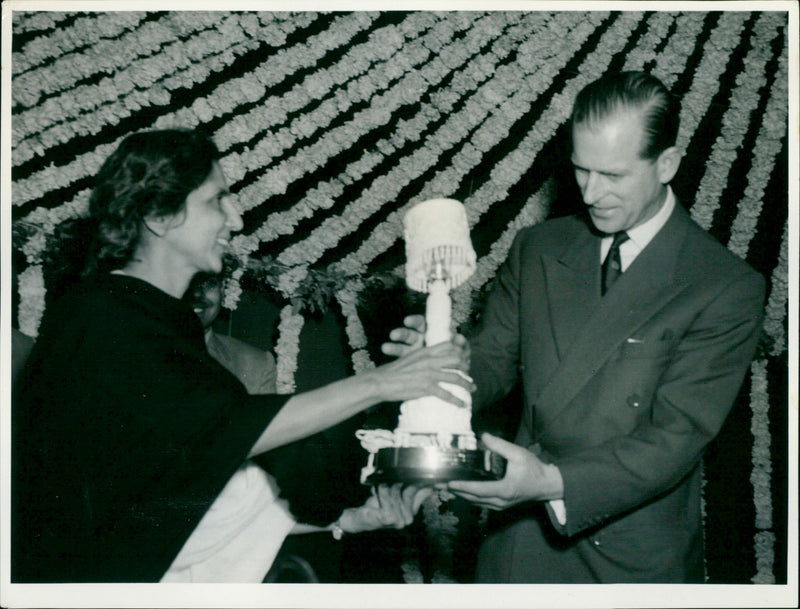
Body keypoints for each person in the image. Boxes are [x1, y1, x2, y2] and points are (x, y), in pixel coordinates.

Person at [11, 128, 468, 583]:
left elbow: (181, 499)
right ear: (159, 214)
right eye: (217, 200)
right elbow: (220, 437)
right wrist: (384, 382)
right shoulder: (102, 316)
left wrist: (346, 520)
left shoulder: (156, 321)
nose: (237, 218)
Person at [443, 71, 766, 582]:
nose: (591, 194)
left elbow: (675, 439)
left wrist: (550, 482)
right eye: (580, 171)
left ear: (668, 164)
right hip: (520, 545)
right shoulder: (538, 248)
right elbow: (492, 360)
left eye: (613, 176)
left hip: (629, 554)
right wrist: (443, 367)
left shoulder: (723, 285)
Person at [186, 271, 277, 395]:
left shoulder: (256, 364)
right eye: (186, 280)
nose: (198, 294)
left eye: (209, 283)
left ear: (223, 289)